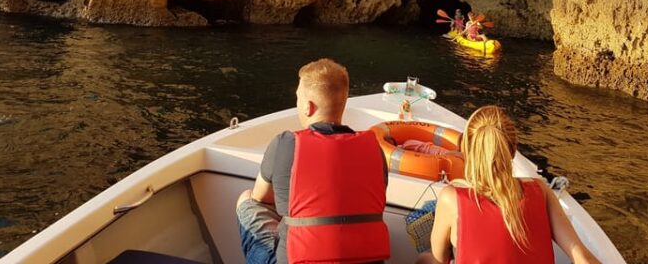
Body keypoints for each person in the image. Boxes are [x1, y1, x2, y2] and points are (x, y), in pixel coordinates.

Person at [236, 59, 390, 264]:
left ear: (308, 107)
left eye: (297, 98)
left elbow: (261, 197)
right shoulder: (374, 149)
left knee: (247, 201)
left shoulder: (285, 143)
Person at [415, 106, 601, 264]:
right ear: (512, 151)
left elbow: (439, 259)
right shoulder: (540, 190)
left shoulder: (451, 198)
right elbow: (582, 258)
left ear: (468, 151)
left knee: (424, 260)